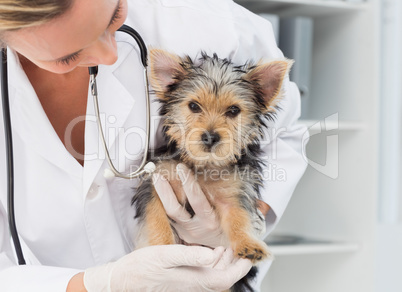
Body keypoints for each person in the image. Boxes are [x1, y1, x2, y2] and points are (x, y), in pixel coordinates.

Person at [0, 0, 308, 291]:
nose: (111, 55)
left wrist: (235, 217)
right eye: (68, 56)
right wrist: (101, 284)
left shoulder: (205, 18)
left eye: (115, 15)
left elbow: (286, 133)